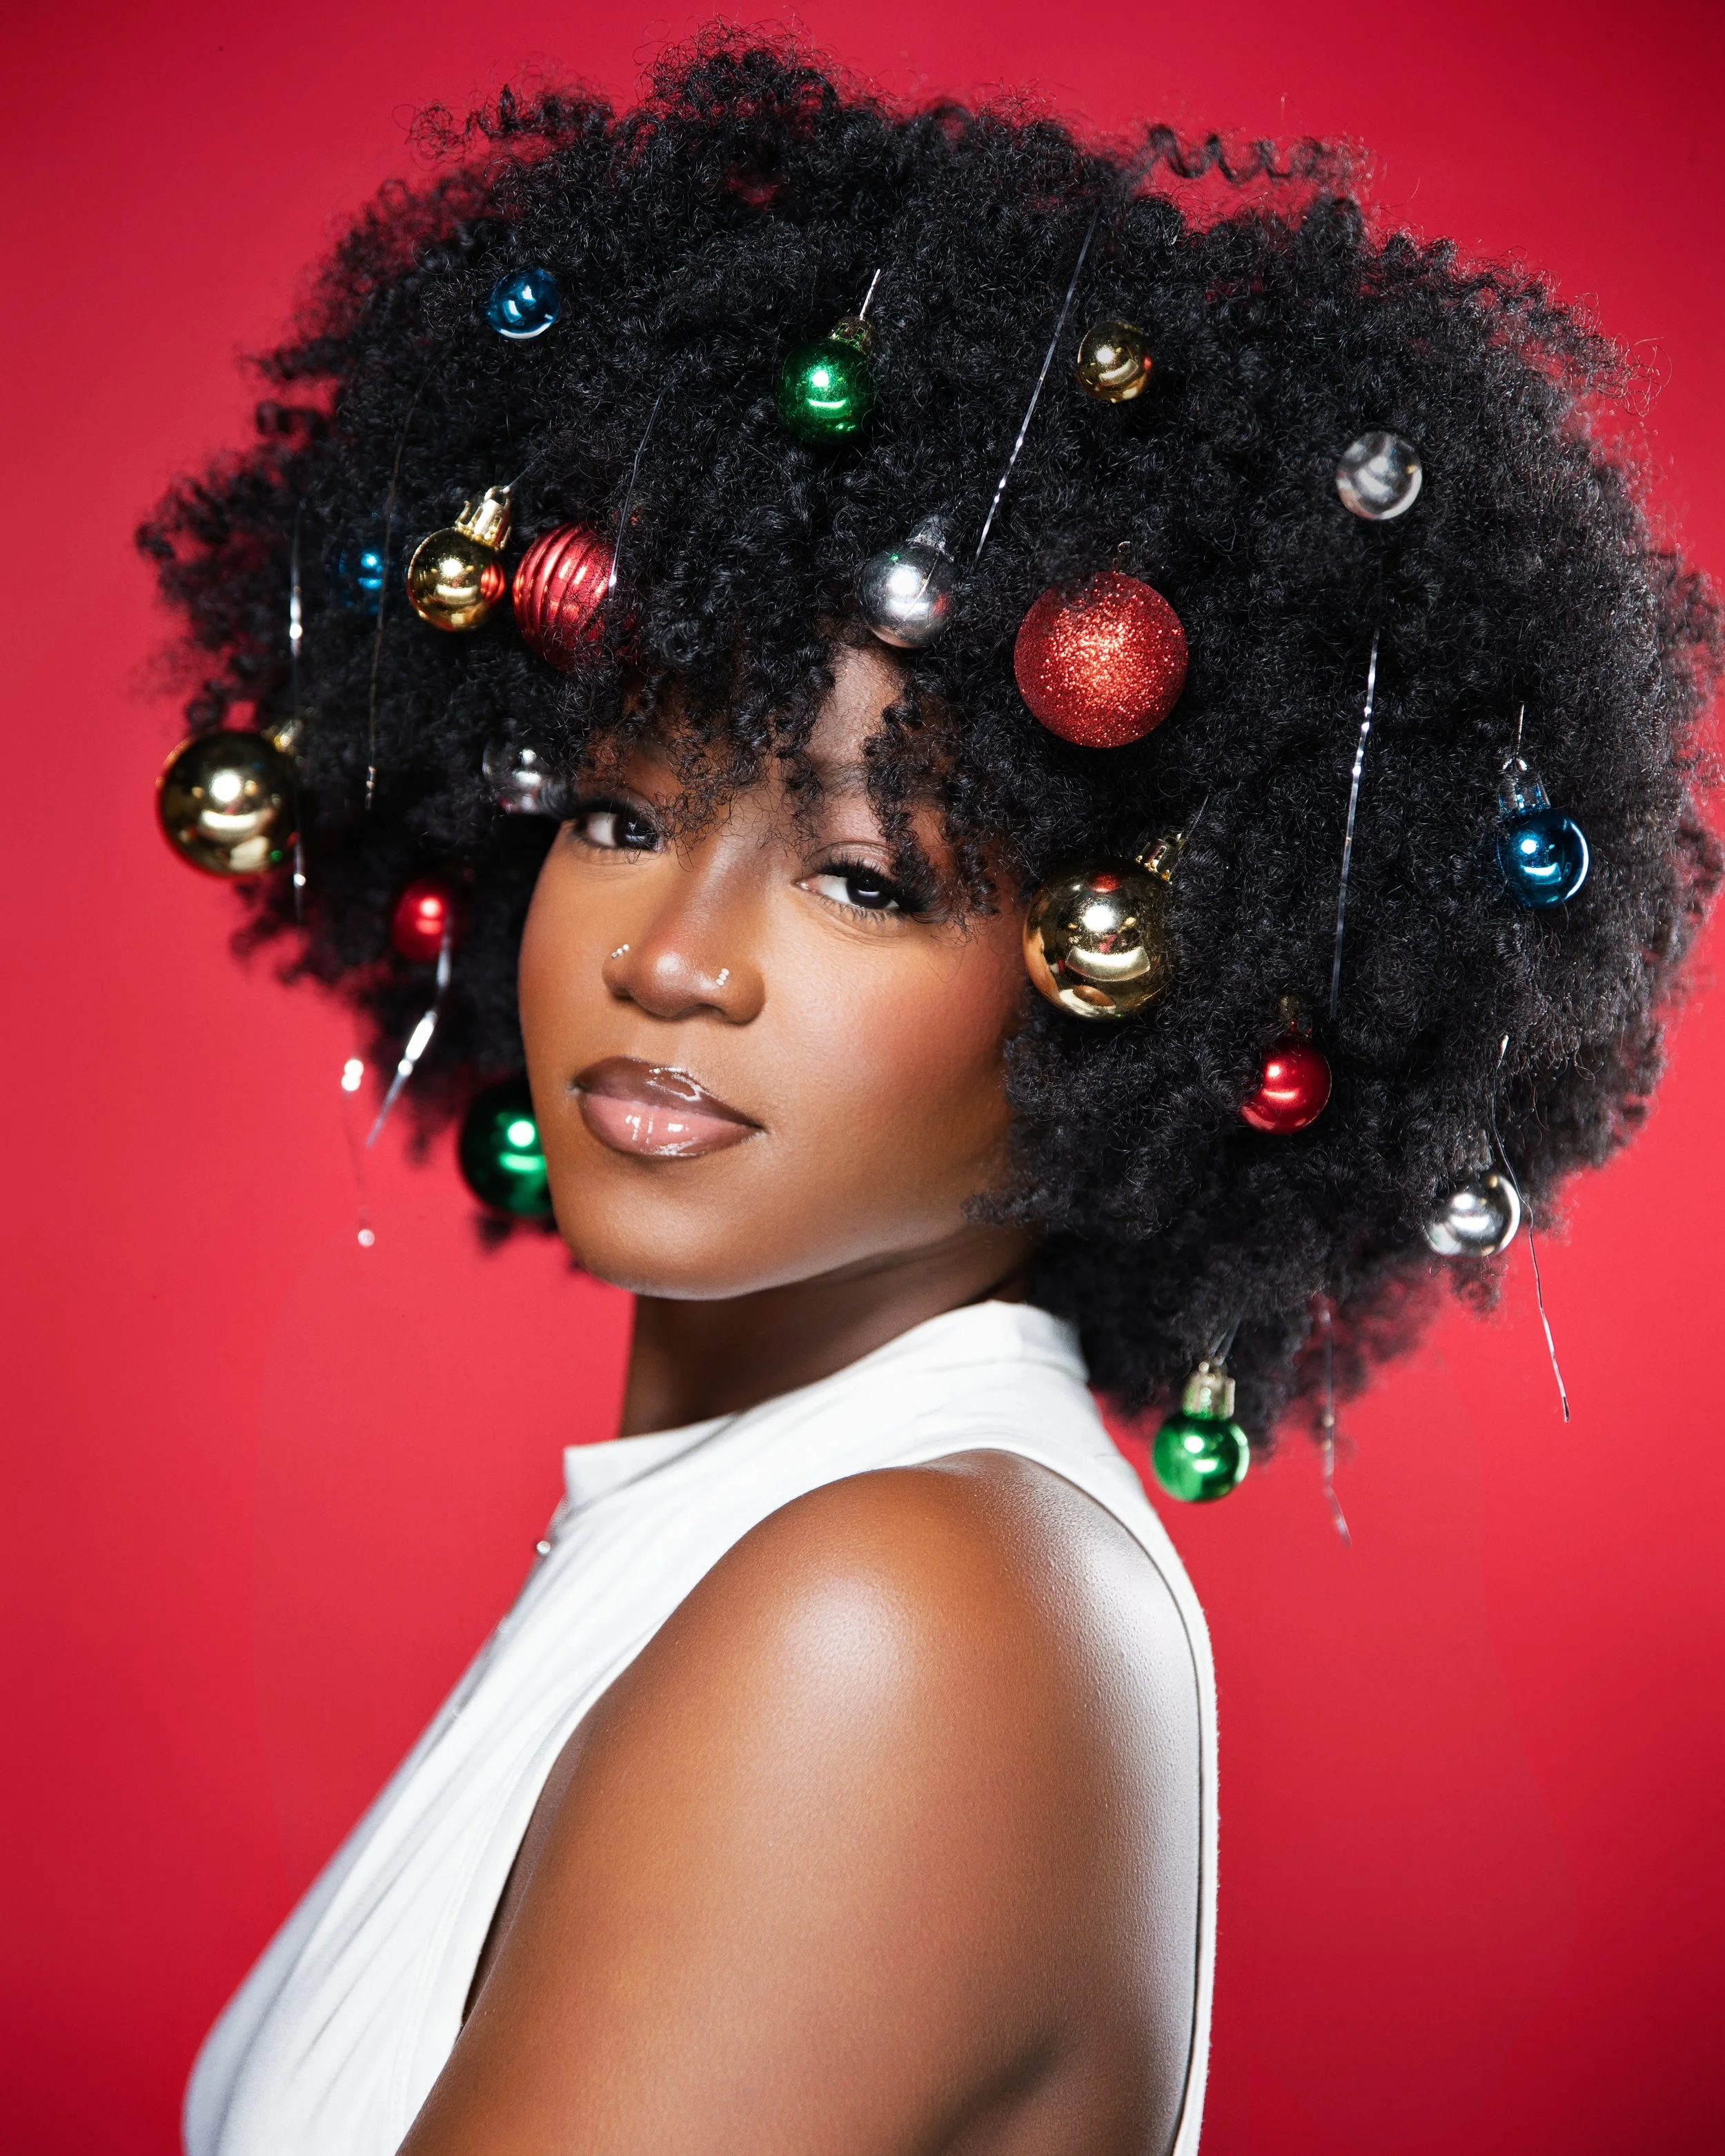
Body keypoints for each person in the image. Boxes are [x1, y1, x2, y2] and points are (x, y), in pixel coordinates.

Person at [142, 37, 1717, 2155]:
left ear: (1147, 988)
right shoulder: (772, 1535)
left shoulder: (901, 1611)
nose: (671, 955)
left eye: (865, 874)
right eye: (620, 815)